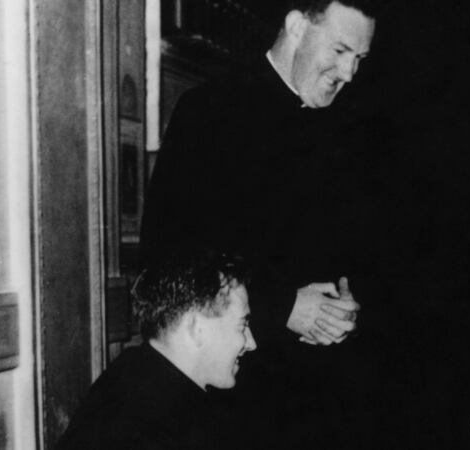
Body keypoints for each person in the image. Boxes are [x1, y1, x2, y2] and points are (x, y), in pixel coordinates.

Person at [139, 1, 379, 448]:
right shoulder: (210, 111)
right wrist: (282, 307)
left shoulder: (350, 132)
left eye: (360, 58)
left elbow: (364, 251)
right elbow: (165, 259)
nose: (349, 73)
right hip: (236, 402)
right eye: (341, 50)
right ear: (296, 26)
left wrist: (347, 305)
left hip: (324, 399)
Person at [57, 250, 256, 449]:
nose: (251, 343)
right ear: (197, 329)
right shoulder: (150, 426)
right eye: (242, 326)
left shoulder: (132, 370)